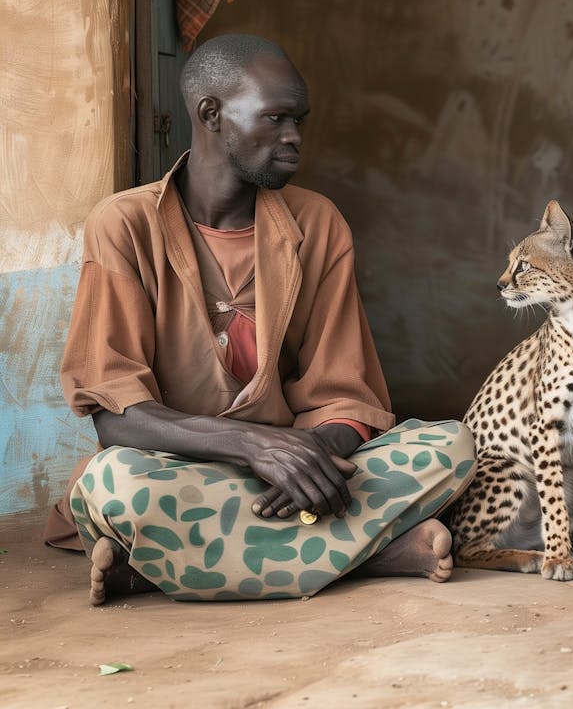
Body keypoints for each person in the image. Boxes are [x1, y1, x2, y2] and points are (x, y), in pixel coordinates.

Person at [44, 34, 476, 603]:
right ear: (211, 115)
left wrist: (310, 458)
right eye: (275, 118)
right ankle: (367, 557)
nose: (294, 138)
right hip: (179, 468)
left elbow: (345, 394)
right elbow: (116, 415)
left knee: (450, 447)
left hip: (301, 466)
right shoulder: (124, 225)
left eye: (299, 121)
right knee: (115, 484)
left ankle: (159, 565)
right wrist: (253, 448)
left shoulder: (318, 223)